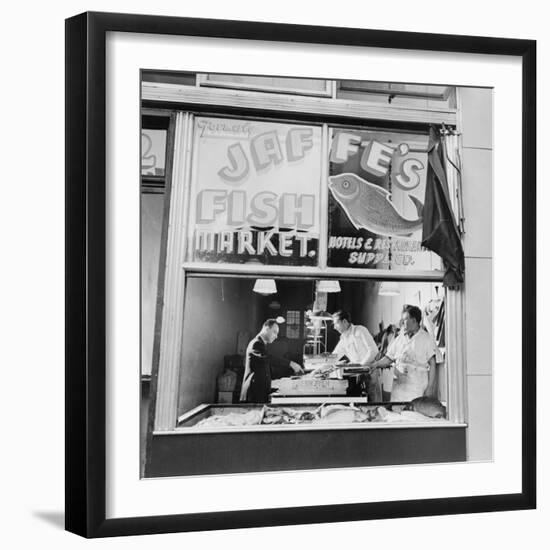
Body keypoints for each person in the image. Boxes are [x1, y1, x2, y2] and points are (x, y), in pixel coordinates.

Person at [370, 305, 438, 401]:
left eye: (405, 319)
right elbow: (389, 358)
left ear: (414, 320)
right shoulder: (400, 338)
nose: (402, 323)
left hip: (416, 386)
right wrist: (376, 364)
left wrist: (430, 387)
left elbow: (433, 364)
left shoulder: (426, 338)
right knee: (396, 412)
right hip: (399, 386)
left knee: (413, 414)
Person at [239, 319, 303, 403]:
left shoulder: (262, 344)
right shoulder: (256, 343)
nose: (276, 336)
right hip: (252, 393)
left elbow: (264, 367)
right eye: (274, 332)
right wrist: (291, 364)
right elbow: (269, 358)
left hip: (259, 391)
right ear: (266, 328)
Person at [331, 310, 380, 401]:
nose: (334, 327)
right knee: (362, 404)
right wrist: (321, 366)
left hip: (370, 372)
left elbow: (373, 351)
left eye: (336, 324)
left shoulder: (360, 330)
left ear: (344, 321)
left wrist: (360, 367)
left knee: (374, 403)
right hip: (358, 375)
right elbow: (334, 356)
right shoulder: (344, 338)